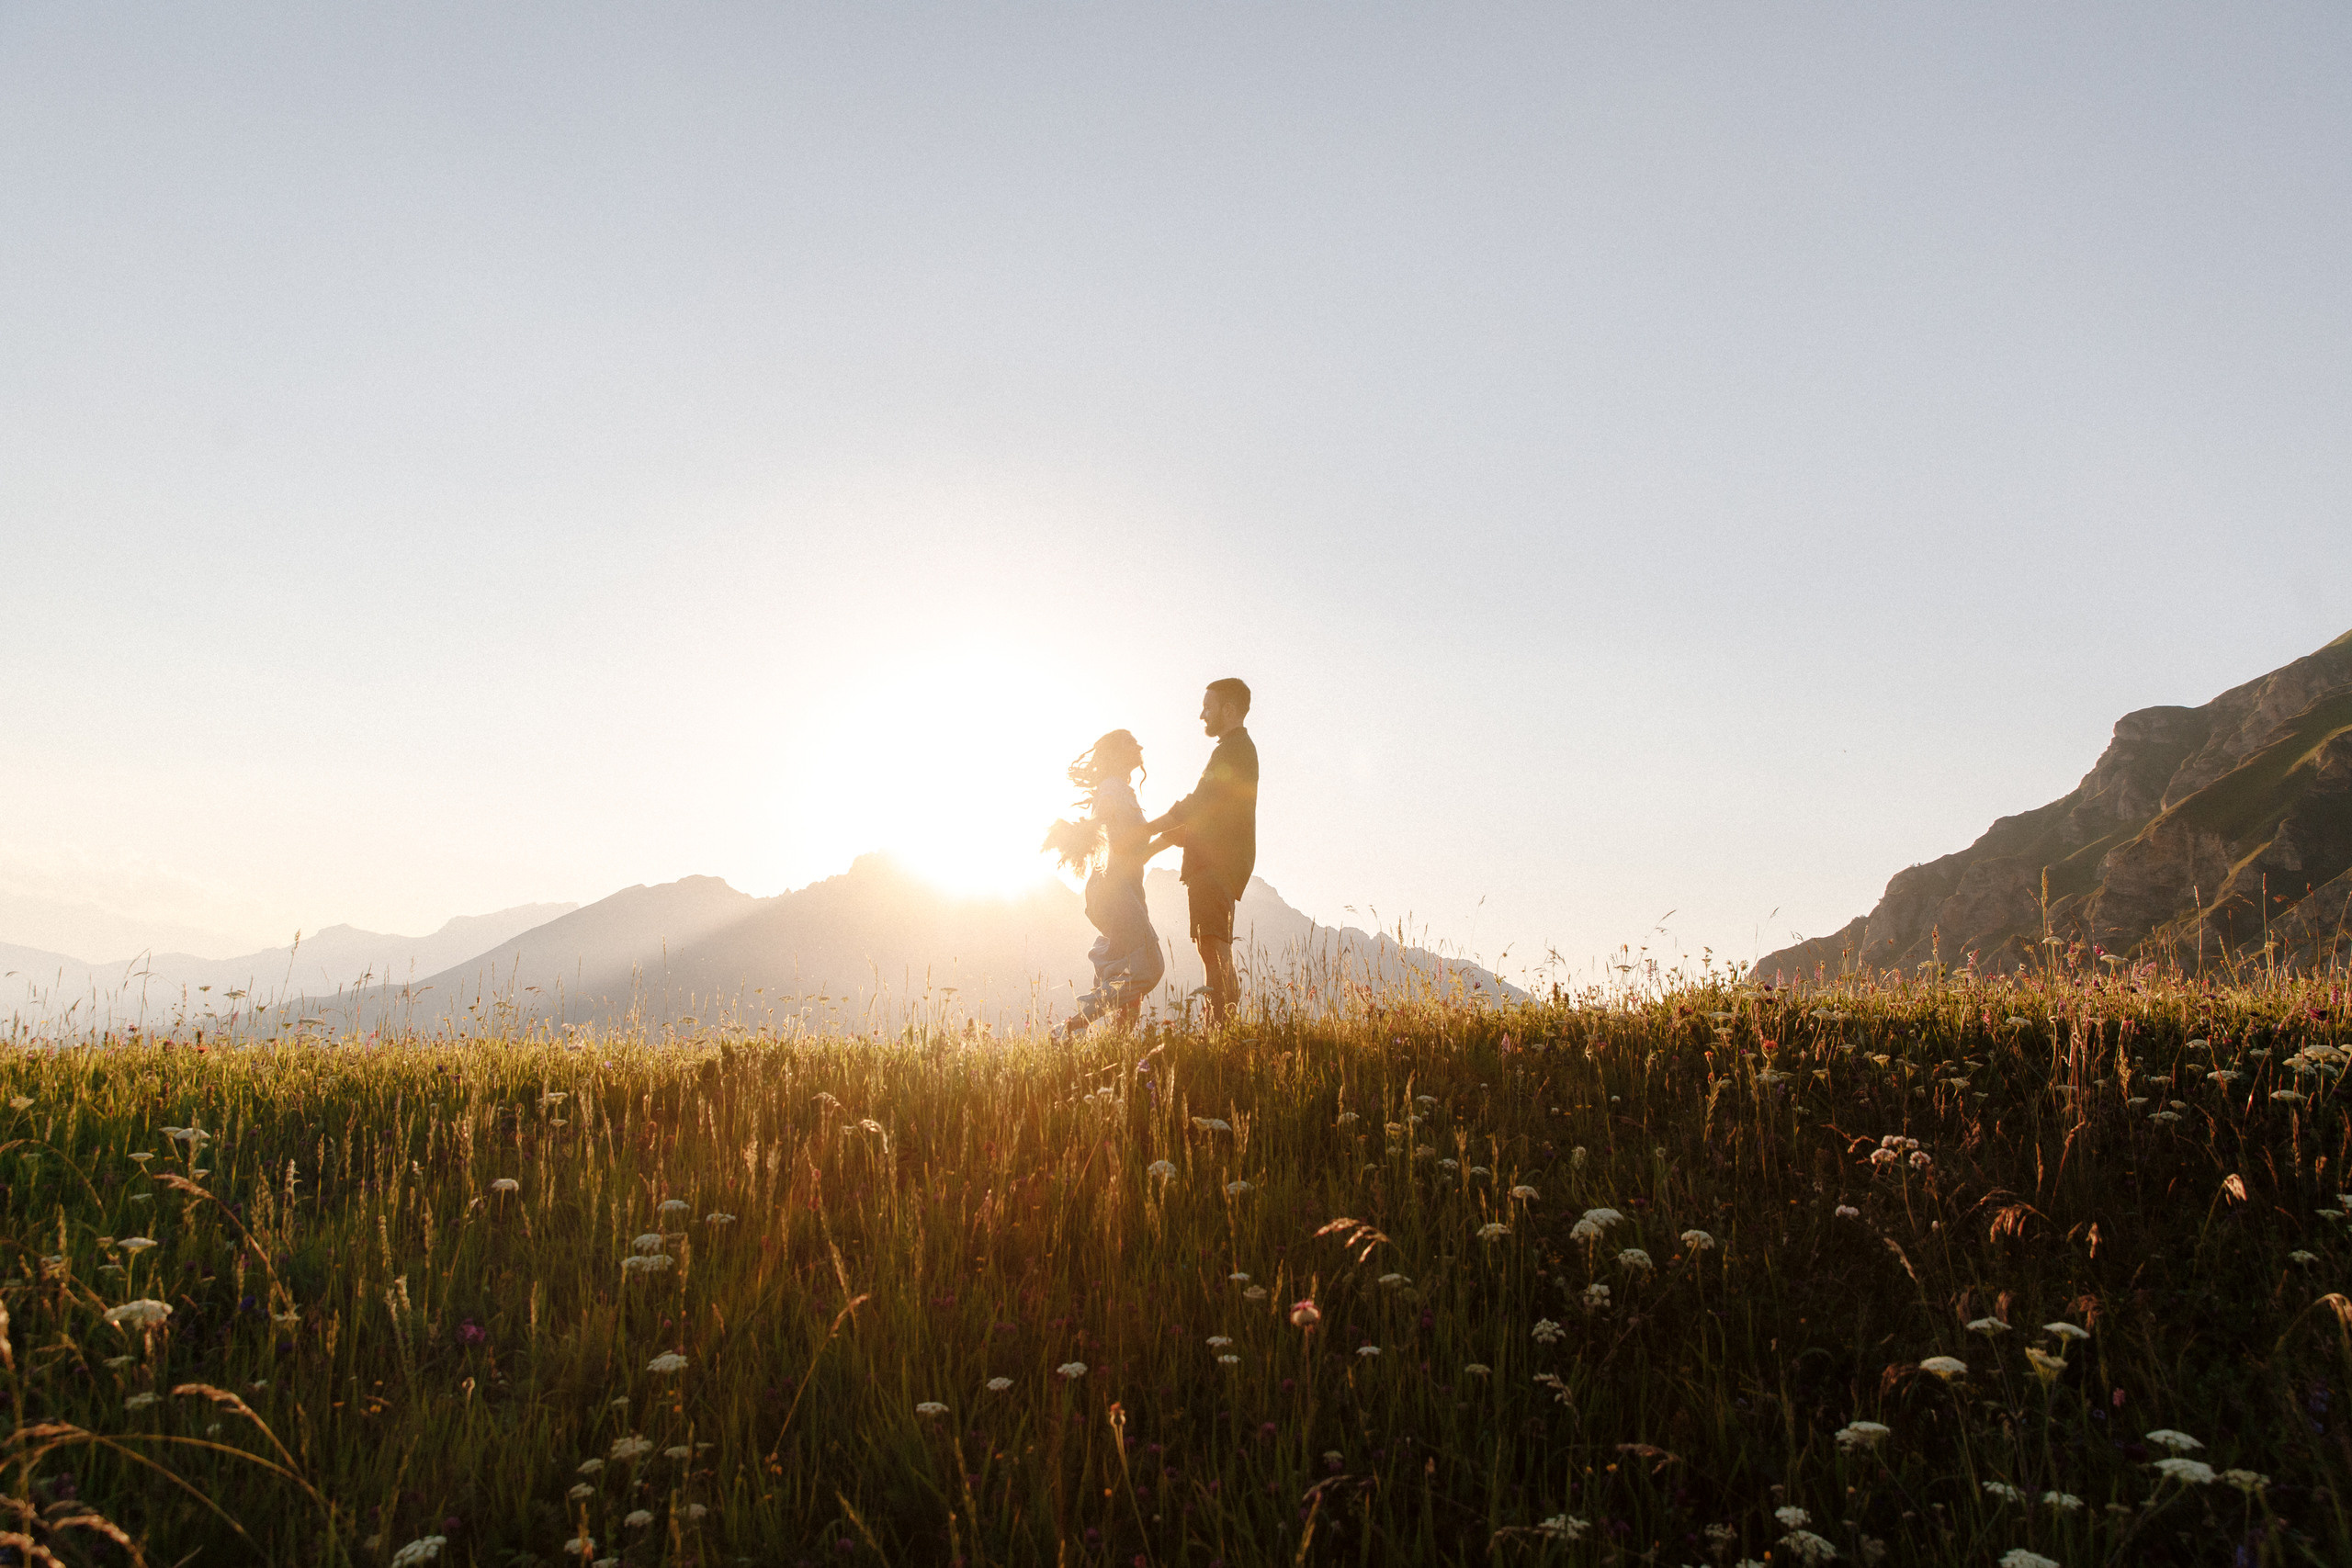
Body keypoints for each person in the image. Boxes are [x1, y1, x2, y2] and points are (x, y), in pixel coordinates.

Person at [1148, 678, 1258, 1027]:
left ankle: (1221, 1029)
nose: (1201, 715)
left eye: (1208, 707)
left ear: (1228, 709)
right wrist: (1152, 846)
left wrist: (1145, 830)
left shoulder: (1233, 749)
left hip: (1214, 864)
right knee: (1211, 945)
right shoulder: (1234, 749)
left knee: (1213, 946)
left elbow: (1197, 803)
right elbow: (1208, 814)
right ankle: (1223, 1026)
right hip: (1215, 861)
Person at [1042, 729, 1166, 1037]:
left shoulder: (1122, 789)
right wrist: (1170, 825)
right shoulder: (1112, 788)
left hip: (1125, 889)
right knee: (1147, 968)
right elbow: (1119, 835)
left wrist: (1169, 837)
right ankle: (1071, 1028)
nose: (1139, 745)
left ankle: (1118, 1045)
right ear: (1115, 753)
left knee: (1127, 971)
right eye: (1130, 742)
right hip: (1116, 891)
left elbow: (1132, 851)